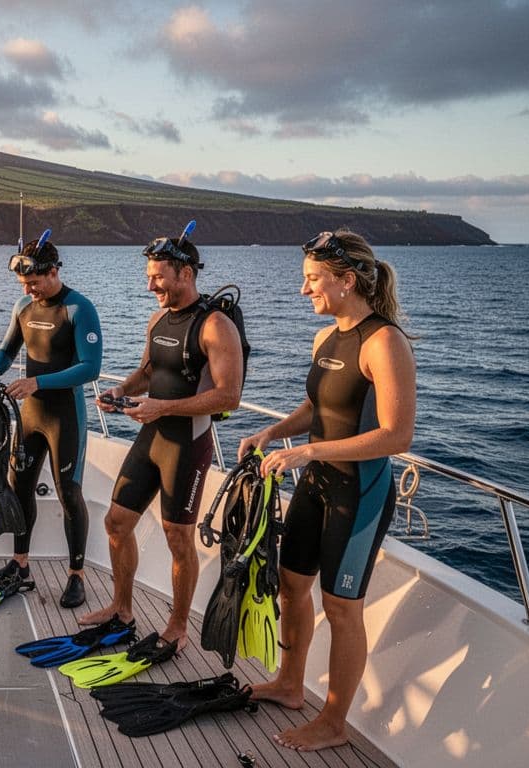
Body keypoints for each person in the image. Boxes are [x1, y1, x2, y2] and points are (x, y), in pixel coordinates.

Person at [241, 230, 414, 752]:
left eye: (313, 280)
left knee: (341, 608)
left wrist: (310, 452)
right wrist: (274, 432)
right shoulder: (326, 339)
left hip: (358, 492)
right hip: (315, 487)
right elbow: (318, 409)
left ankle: (334, 721)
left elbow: (396, 434)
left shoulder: (385, 342)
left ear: (347, 280)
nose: (303, 291)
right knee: (291, 587)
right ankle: (291, 686)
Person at [79, 233, 243, 655]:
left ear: (185, 273)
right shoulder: (158, 320)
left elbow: (229, 395)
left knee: (176, 538)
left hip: (187, 442)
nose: (151, 286)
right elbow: (147, 373)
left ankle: (177, 626)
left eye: (159, 278)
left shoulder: (215, 325)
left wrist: (162, 408)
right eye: (148, 277)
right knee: (116, 522)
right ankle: (122, 607)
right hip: (152, 433)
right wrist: (120, 392)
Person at [0, 234, 101, 608]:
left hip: (64, 416)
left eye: (34, 282)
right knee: (20, 489)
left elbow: (90, 368)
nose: (29, 290)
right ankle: (21, 565)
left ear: (53, 272)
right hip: (30, 416)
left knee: (69, 495)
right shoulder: (23, 306)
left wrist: (37, 382)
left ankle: (76, 575)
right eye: (24, 284)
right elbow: (8, 348)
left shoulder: (79, 309)